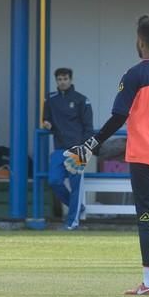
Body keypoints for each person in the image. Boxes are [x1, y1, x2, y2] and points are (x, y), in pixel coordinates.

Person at [63, 15, 149, 296]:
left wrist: (91, 143)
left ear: (140, 42)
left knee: (146, 217)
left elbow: (118, 117)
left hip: (143, 157)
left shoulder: (134, 75)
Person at [42, 68, 93, 230]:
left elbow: (88, 128)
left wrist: (85, 149)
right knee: (54, 181)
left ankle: (72, 223)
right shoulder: (50, 99)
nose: (62, 82)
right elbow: (46, 119)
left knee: (76, 187)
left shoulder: (81, 100)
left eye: (65, 78)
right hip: (58, 148)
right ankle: (76, 207)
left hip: (77, 149)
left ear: (71, 79)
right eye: (59, 79)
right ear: (56, 81)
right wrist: (46, 124)